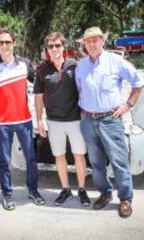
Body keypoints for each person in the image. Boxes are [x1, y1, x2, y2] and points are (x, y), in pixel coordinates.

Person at [75, 27, 144, 218]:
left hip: (110, 119)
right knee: (96, 162)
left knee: (119, 161)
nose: (91, 44)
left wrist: (128, 104)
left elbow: (138, 83)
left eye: (95, 40)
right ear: (84, 45)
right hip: (88, 120)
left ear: (102, 41)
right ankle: (105, 193)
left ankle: (125, 199)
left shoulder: (115, 61)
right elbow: (80, 90)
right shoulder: (80, 66)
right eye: (87, 42)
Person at [0, 28, 45, 211]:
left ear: (13, 43)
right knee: (4, 161)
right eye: (1, 42)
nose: (4, 46)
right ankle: (7, 195)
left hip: (25, 121)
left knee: (31, 158)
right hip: (2, 124)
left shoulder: (24, 64)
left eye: (7, 42)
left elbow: (39, 85)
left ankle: (33, 191)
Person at [34, 32, 90, 206]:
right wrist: (39, 120)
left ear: (63, 47)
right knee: (59, 156)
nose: (54, 49)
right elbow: (38, 96)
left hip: (75, 120)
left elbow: (85, 88)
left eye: (58, 45)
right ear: (47, 49)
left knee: (79, 155)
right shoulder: (42, 70)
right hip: (54, 121)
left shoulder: (75, 65)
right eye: (51, 46)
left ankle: (82, 189)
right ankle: (66, 190)